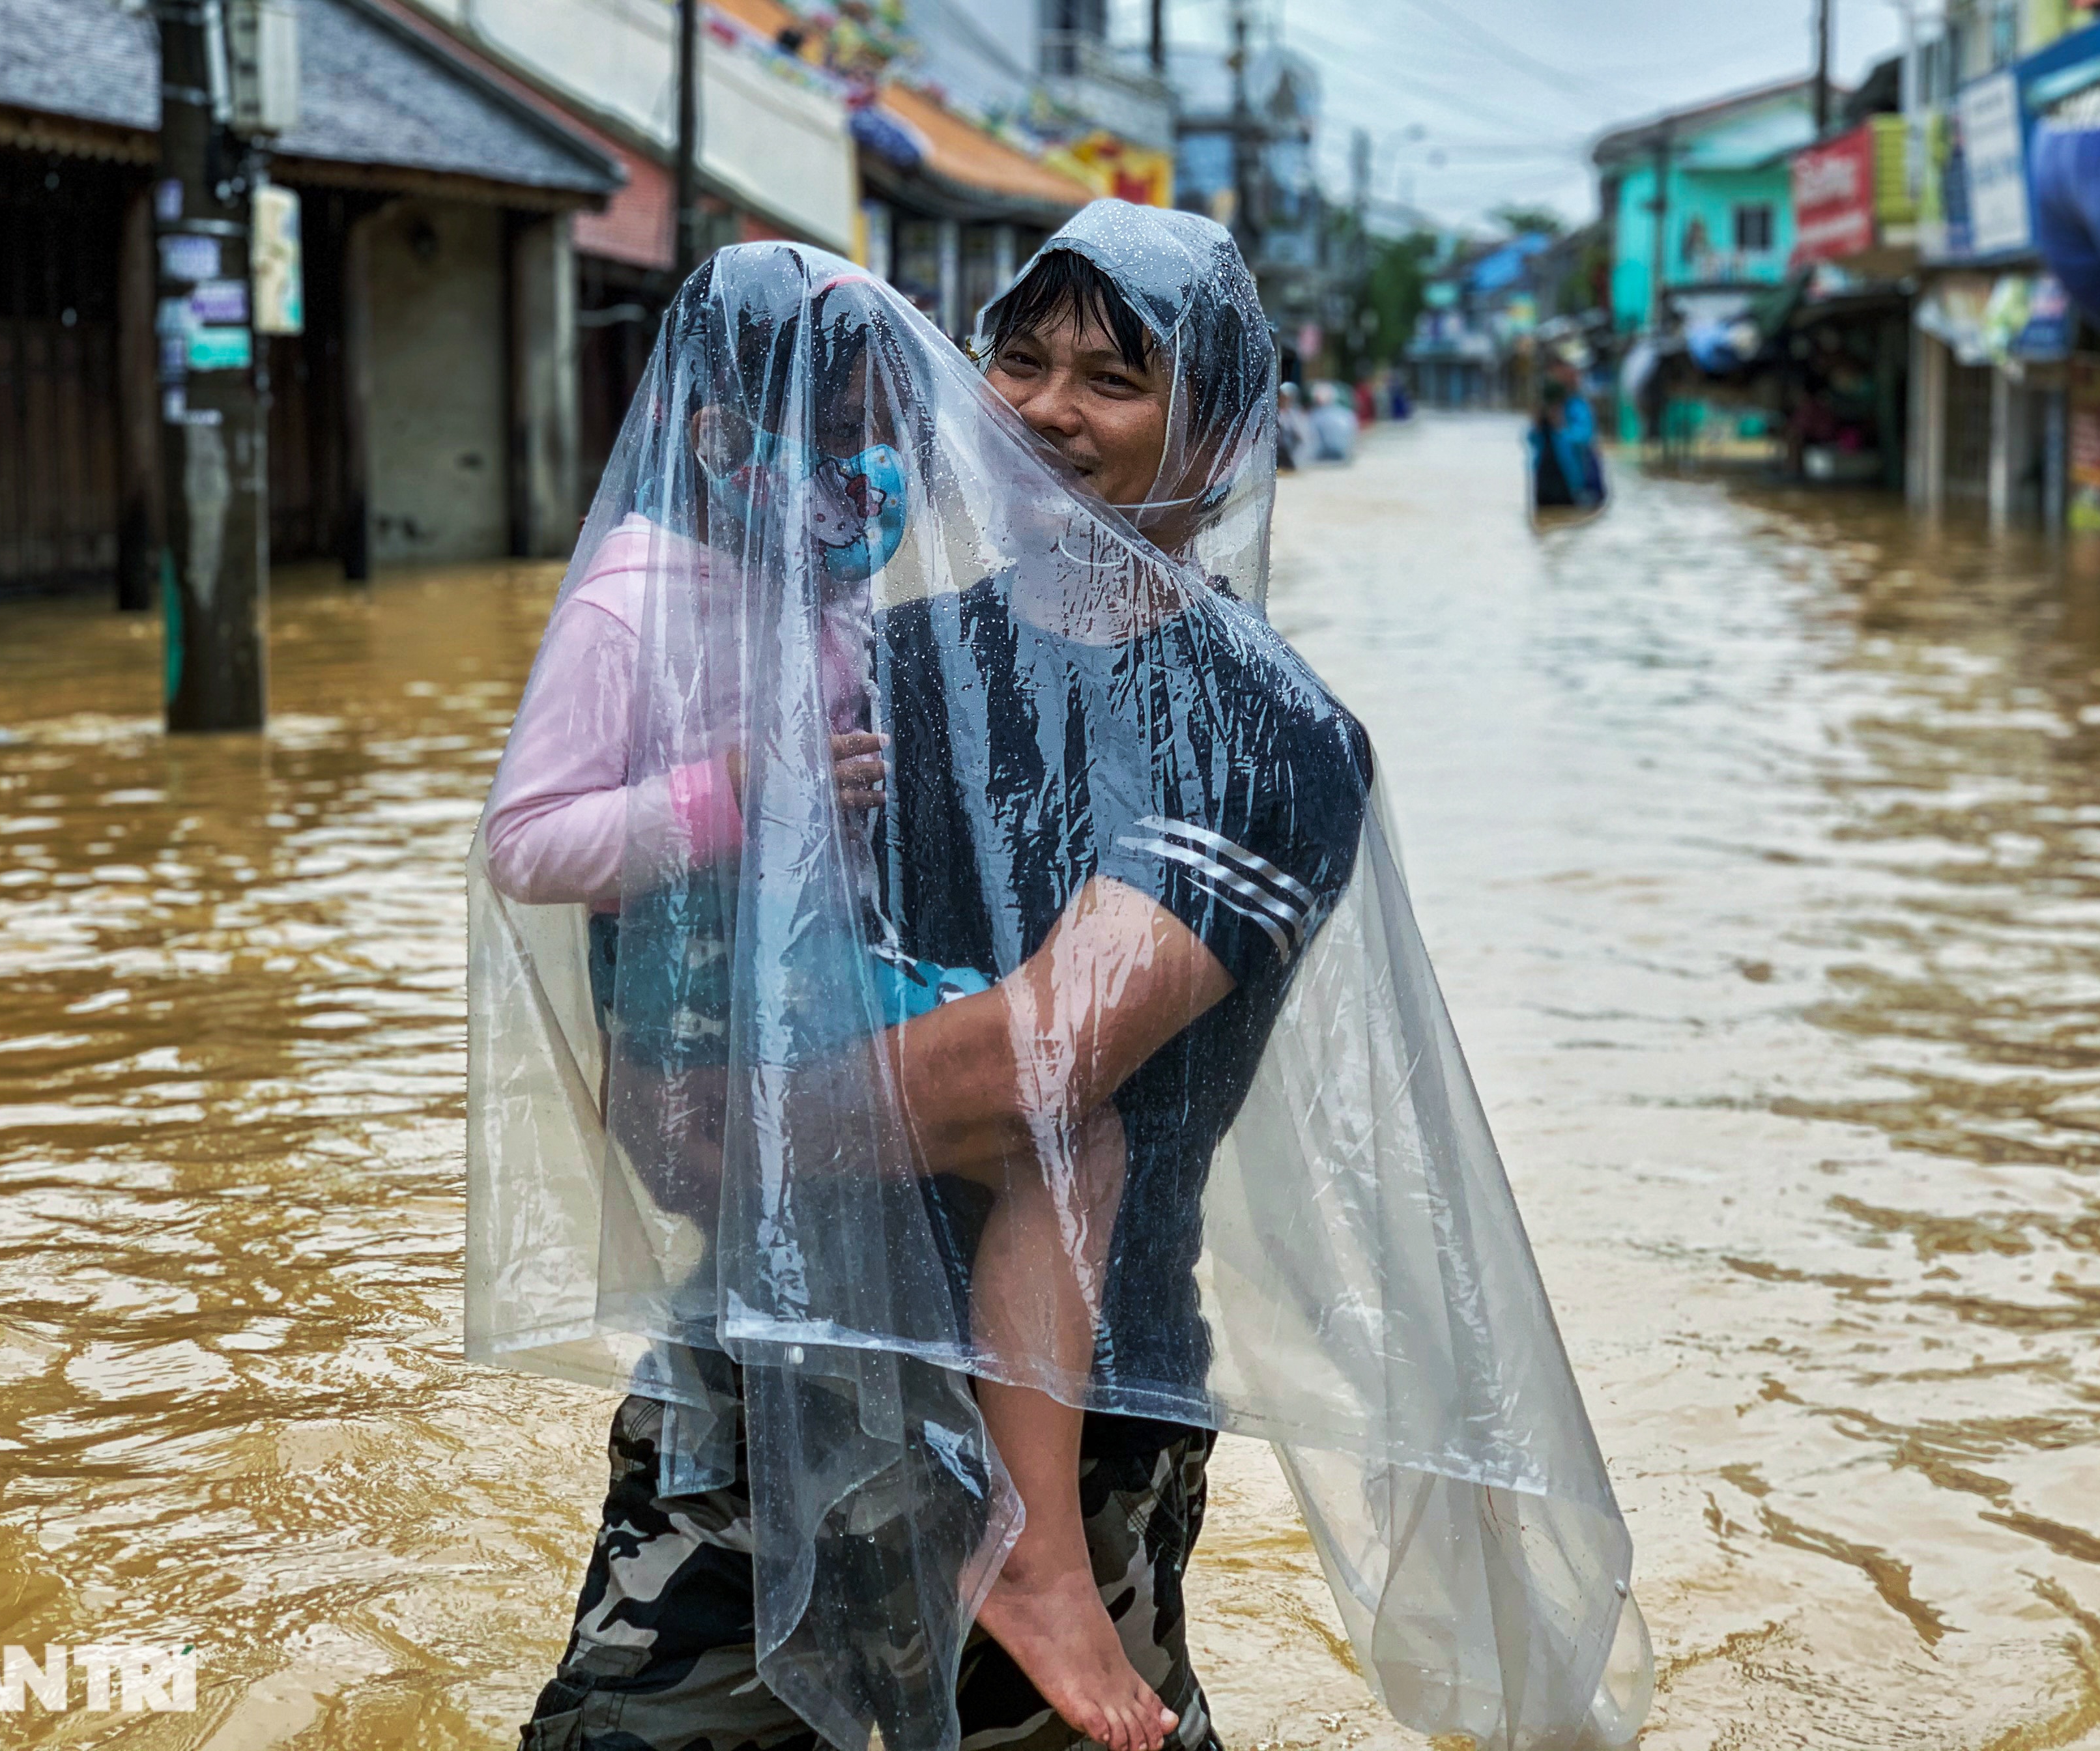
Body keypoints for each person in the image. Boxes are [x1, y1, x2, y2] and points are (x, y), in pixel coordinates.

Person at [472, 207, 1648, 1751]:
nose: (1043, 409)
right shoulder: (858, 672)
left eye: (1112, 377)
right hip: (761, 1379)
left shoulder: (1259, 738)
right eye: (1016, 360)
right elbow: (653, 995)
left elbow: (1031, 1066)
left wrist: (734, 1119)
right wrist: (690, 1098)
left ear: (1218, 437)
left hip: (1069, 1440)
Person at [1526, 363, 1606, 512]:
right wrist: (1537, 426)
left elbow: (1585, 437)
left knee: (1569, 518)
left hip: (1571, 480)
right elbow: (1532, 441)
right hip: (1544, 480)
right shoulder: (1545, 408)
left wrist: (1560, 428)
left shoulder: (1578, 406)